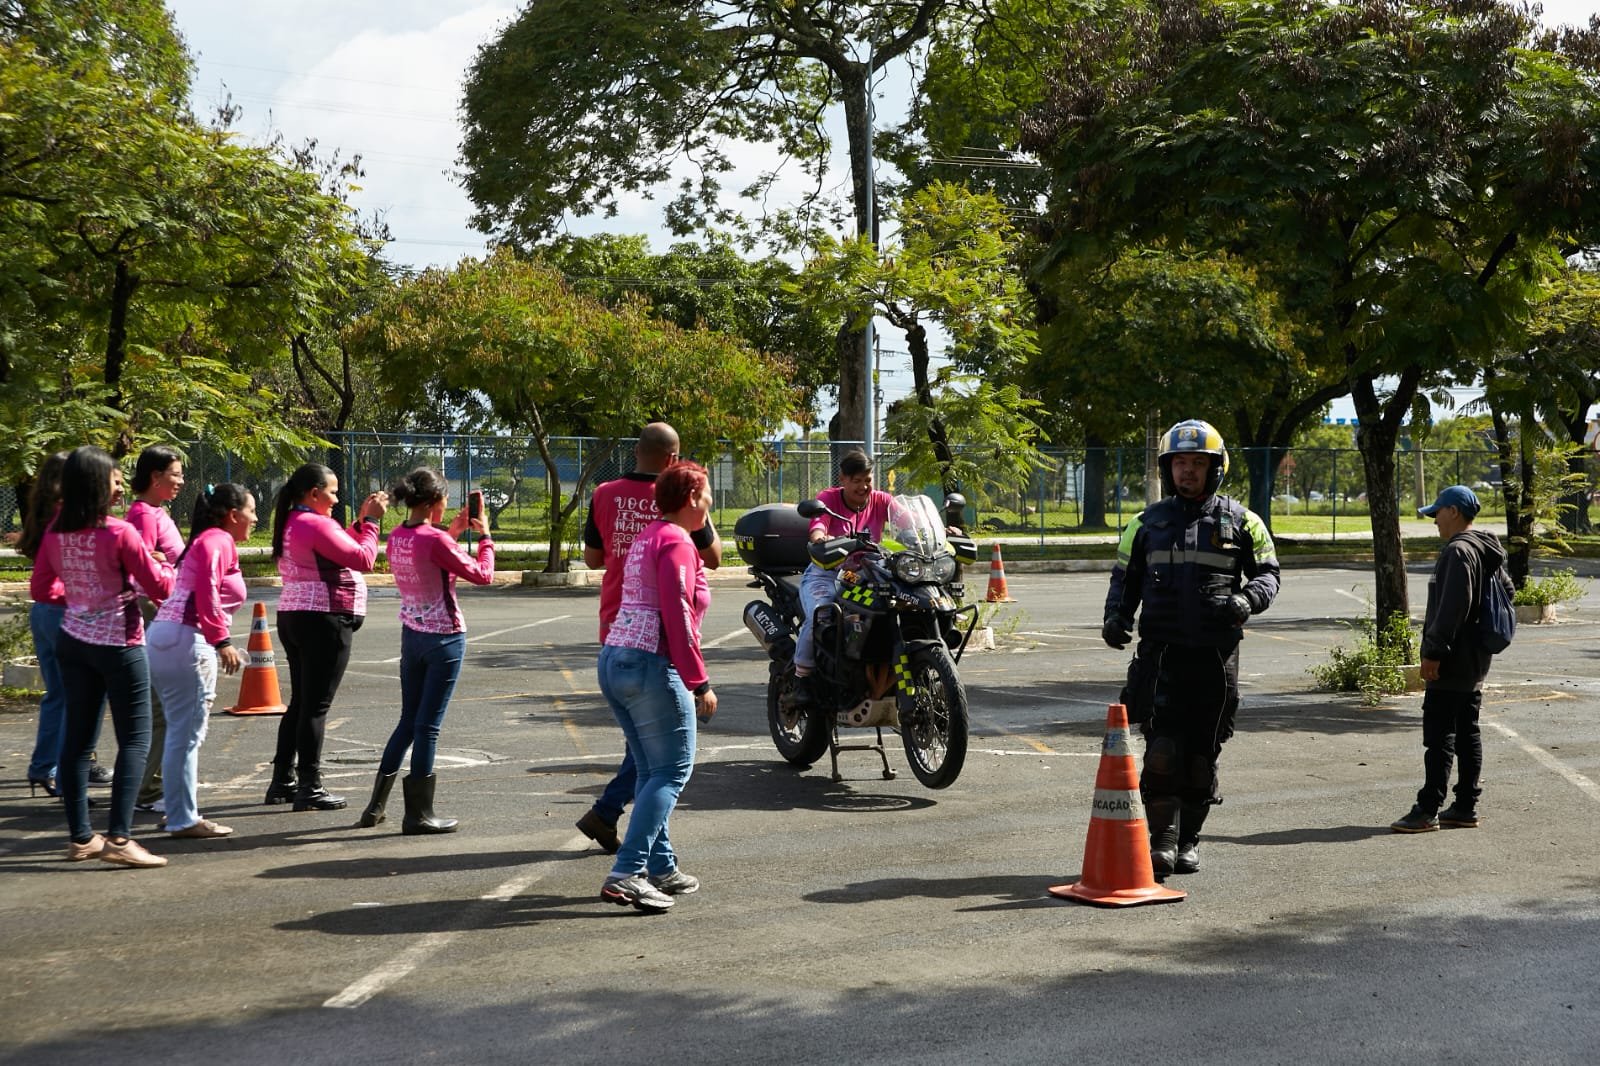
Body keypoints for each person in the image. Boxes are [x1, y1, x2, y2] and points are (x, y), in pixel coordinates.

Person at [1102, 419, 1280, 876]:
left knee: (1202, 754)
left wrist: (1248, 599)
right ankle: (1161, 839)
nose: (1187, 471)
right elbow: (1124, 578)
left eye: (1197, 463)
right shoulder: (1145, 523)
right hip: (1161, 655)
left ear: (1215, 468)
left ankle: (1189, 840)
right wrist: (1116, 616)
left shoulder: (1245, 521)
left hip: (1216, 658)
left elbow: (1268, 574)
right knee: (1162, 750)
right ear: (1167, 469)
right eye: (1179, 462)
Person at [575, 423, 720, 853]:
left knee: (643, 748)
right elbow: (713, 558)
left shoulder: (604, 493)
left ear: (636, 450)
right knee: (662, 758)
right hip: (658, 639)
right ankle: (629, 843)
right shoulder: (680, 505)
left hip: (617, 624)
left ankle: (641, 842)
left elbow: (592, 558)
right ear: (674, 460)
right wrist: (699, 681)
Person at [31, 446, 174, 867]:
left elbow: (42, 589)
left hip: (73, 641)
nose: (120, 488)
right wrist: (163, 564)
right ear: (96, 484)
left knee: (78, 740)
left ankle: (81, 838)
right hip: (119, 643)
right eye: (114, 480)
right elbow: (161, 587)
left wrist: (82, 598)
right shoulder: (119, 532)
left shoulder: (56, 530)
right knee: (135, 738)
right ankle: (119, 838)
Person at [596, 461, 717, 913]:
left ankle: (661, 866)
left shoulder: (648, 536)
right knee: (672, 771)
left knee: (650, 771)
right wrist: (699, 681)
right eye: (707, 494)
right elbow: (678, 613)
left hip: (616, 657)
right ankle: (627, 873)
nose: (710, 503)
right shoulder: (677, 542)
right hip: (651, 663)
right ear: (691, 498)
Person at [357, 467, 495, 834]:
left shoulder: (398, 536)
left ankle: (375, 807)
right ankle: (419, 814)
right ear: (435, 501)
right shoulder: (435, 540)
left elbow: (429, 555)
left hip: (412, 634)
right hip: (444, 638)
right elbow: (483, 574)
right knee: (428, 727)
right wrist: (486, 537)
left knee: (408, 721)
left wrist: (455, 532)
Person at [1391, 485, 1511, 833]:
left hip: (1451, 659)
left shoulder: (1458, 551)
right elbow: (1508, 592)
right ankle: (1465, 806)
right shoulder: (1486, 550)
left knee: (1439, 736)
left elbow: (1451, 609)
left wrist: (1433, 652)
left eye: (1437, 513)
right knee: (1467, 732)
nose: (1434, 521)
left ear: (1454, 512)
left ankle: (1428, 809)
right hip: (1475, 658)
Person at [268, 463, 387, 812]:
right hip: (323, 618)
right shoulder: (316, 523)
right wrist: (373, 523)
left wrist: (360, 523)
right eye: (333, 493)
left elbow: (338, 546)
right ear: (314, 493)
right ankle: (310, 786)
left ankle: (283, 780)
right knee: (315, 707)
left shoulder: (294, 521)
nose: (336, 499)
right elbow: (363, 558)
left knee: (301, 703)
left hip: (294, 615)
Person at [146, 484, 255, 840]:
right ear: (233, 515)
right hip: (186, 639)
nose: (255, 518)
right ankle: (182, 818)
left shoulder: (206, 540)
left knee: (180, 733)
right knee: (186, 735)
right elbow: (207, 590)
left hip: (167, 636)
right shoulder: (218, 540)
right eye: (251, 511)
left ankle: (176, 809)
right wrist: (221, 640)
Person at [790, 448, 896, 707]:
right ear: (843, 480)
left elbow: (907, 518)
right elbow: (818, 524)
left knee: (895, 608)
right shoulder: (828, 499)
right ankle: (801, 678)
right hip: (827, 573)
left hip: (864, 577)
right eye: (856, 480)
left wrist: (938, 530)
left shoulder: (881, 500)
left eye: (867, 480)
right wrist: (819, 538)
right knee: (822, 614)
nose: (863, 486)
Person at [125, 445, 186, 815]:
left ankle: (154, 782)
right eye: (175, 474)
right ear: (155, 476)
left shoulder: (155, 512)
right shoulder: (144, 515)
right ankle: (148, 789)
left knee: (163, 704)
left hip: (162, 611)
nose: (181, 481)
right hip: (153, 613)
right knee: (161, 705)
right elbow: (144, 569)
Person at [18, 451, 70, 798]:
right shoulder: (64, 519)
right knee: (75, 698)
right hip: (62, 611)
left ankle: (44, 766)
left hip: (44, 612)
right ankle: (66, 775)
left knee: (57, 696)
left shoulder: (42, 514)